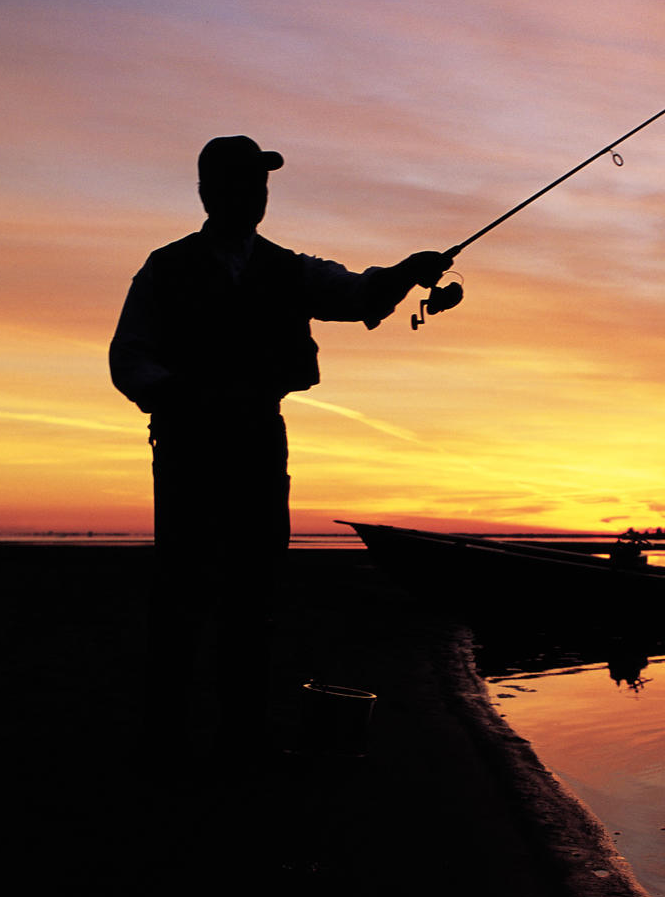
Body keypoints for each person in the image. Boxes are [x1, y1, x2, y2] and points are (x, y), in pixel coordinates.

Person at [109, 134, 452, 746]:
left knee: (253, 595)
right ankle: (165, 741)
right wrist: (181, 400)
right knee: (182, 595)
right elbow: (128, 357)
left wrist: (407, 272)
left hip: (259, 445)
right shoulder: (165, 268)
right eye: (244, 181)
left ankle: (240, 737)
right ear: (209, 192)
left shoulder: (288, 269)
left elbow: (357, 295)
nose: (257, 193)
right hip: (189, 448)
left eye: (262, 183)